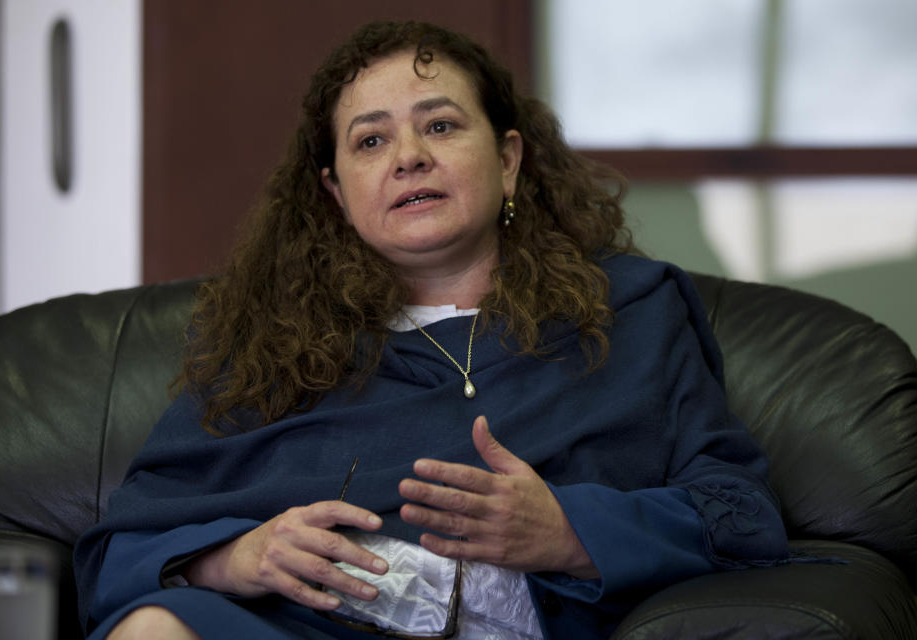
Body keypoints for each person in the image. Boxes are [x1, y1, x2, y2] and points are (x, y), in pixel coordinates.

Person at [74, 20, 788, 640]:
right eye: (370, 140)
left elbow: (741, 513)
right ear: (336, 193)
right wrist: (236, 558)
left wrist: (569, 532)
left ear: (508, 161)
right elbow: (118, 550)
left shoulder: (632, 312)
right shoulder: (265, 345)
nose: (408, 155)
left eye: (440, 125)